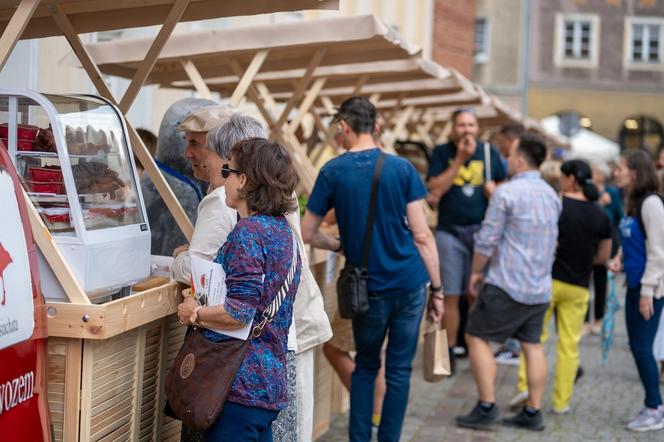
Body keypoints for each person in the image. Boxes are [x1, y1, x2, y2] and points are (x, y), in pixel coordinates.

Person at [301, 96, 444, 442]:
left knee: (365, 366)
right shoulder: (403, 170)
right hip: (410, 284)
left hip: (368, 287)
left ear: (345, 126)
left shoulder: (332, 171)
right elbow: (422, 237)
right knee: (398, 372)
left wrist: (339, 245)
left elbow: (307, 232)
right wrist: (437, 290)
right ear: (375, 126)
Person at [177, 137, 301, 441]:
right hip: (268, 382)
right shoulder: (283, 231)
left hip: (238, 385)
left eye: (228, 171)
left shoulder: (249, 232)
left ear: (243, 180)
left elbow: (240, 311)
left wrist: (195, 313)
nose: (223, 178)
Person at [455, 134, 561, 432]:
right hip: (539, 286)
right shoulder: (552, 195)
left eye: (510, 154)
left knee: (476, 336)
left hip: (507, 282)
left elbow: (487, 239)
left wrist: (476, 272)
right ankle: (533, 411)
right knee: (533, 345)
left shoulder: (506, 193)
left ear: (518, 159)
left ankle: (487, 406)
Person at [510, 159, 611, 415]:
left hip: (548, 280)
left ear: (571, 179)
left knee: (534, 339)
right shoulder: (600, 214)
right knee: (569, 346)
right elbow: (603, 257)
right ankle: (561, 402)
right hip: (579, 285)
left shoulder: (557, 205)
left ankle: (526, 387)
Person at [426, 108, 507, 370]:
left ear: (477, 127)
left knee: (476, 295)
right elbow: (435, 188)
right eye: (461, 125)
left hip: (482, 234)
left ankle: (475, 349)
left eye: (471, 125)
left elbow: (507, 188)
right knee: (451, 295)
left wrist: (495, 192)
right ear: (453, 128)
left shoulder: (489, 153)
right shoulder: (442, 153)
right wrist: (459, 160)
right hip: (450, 231)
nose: (466, 131)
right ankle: (449, 352)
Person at [608, 149, 664, 433]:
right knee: (637, 347)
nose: (615, 172)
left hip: (648, 290)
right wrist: (619, 257)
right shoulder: (633, 202)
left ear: (635, 172)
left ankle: (655, 408)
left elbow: (658, 252)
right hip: (633, 285)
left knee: (643, 349)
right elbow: (632, 240)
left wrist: (647, 292)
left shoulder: (652, 204)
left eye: (620, 167)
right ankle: (653, 405)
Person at [171, 106, 238, 284]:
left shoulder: (222, 198)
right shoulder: (267, 187)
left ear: (223, 149)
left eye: (195, 144)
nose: (187, 153)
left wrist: (180, 255)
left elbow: (195, 271)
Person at [141, 98, 215, 255]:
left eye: (194, 143)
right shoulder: (181, 190)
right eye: (186, 143)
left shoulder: (154, 176)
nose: (187, 153)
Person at [586, 162, 623, 335]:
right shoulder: (587, 190)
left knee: (601, 283)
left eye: (596, 171)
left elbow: (617, 215)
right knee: (585, 283)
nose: (593, 174)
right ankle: (585, 320)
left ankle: (599, 319)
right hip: (588, 241)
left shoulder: (612, 192)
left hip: (605, 241)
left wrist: (605, 204)